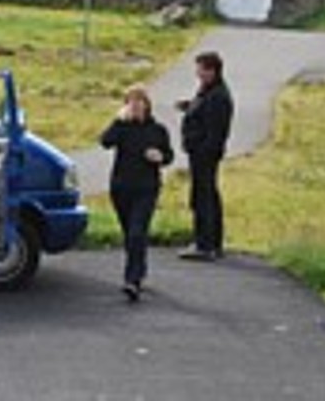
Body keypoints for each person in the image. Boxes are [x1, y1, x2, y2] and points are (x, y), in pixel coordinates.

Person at [99, 84, 174, 301]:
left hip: (146, 188)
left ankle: (132, 280)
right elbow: (105, 141)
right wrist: (118, 120)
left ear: (147, 105)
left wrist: (160, 157)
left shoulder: (157, 130)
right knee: (130, 235)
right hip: (121, 187)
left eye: (139, 101)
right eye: (131, 102)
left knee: (137, 232)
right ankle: (138, 267)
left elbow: (169, 155)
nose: (136, 106)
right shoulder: (122, 129)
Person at [176, 50, 233, 261]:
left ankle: (205, 244)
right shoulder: (209, 91)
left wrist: (202, 150)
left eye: (200, 69)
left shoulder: (218, 96)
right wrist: (188, 107)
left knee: (203, 198)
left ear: (211, 70)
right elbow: (201, 110)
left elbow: (216, 130)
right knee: (207, 195)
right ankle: (211, 242)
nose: (197, 73)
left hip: (204, 156)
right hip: (200, 153)